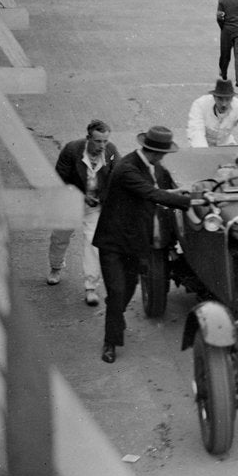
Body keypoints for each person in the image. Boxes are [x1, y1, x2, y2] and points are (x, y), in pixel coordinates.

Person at [92, 126, 192, 364]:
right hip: (113, 242)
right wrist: (192, 201)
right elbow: (151, 194)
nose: (164, 157)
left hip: (135, 240)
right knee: (116, 292)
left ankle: (116, 316)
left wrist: (177, 191)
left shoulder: (150, 166)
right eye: (164, 153)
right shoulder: (126, 168)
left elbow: (156, 190)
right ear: (156, 152)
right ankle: (110, 342)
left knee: (128, 287)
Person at [46, 120, 121, 307]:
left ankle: (90, 287)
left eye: (105, 141)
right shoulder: (72, 150)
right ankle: (55, 267)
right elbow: (59, 180)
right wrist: (80, 197)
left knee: (93, 244)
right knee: (59, 237)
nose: (102, 146)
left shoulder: (111, 152)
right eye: (98, 142)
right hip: (70, 203)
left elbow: (118, 178)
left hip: (95, 207)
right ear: (88, 139)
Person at [187, 79, 238, 148]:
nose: (224, 104)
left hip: (226, 145)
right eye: (220, 99)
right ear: (214, 97)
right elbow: (196, 131)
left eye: (227, 99)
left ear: (232, 98)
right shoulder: (200, 104)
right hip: (203, 145)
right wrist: (203, 154)